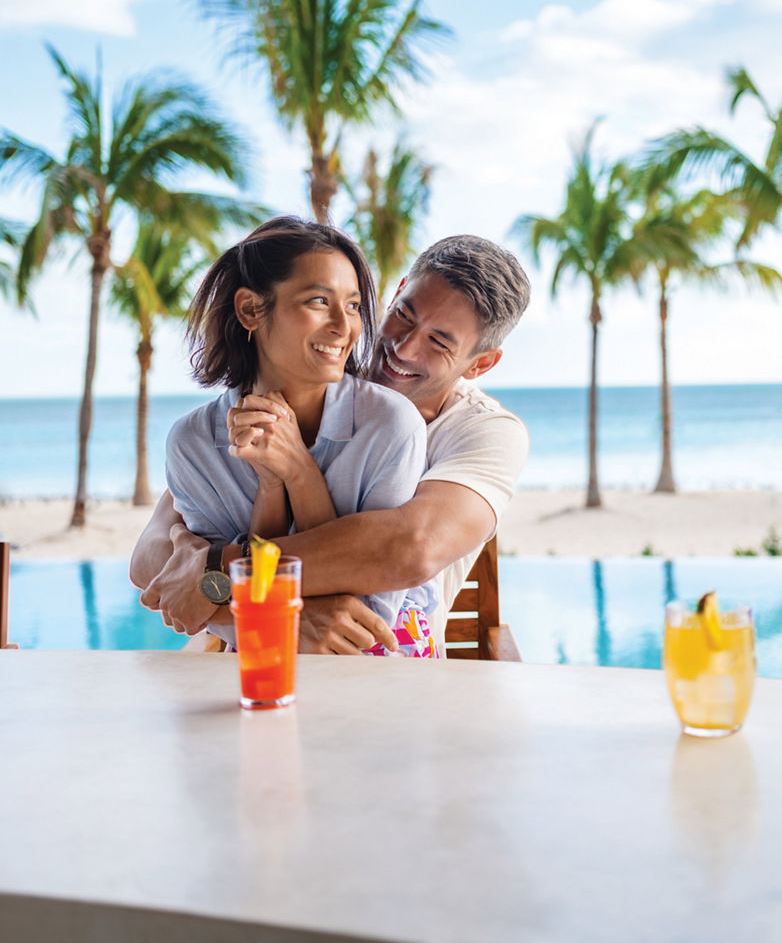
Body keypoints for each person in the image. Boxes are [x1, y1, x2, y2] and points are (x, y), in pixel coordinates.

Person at [131, 234, 531, 655]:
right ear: (394, 294)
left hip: (379, 650)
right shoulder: (311, 371)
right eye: (404, 315)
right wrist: (274, 619)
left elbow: (407, 549)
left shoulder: (483, 432)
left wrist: (218, 573)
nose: (403, 347)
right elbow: (153, 556)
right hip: (255, 644)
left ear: (481, 363)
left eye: (439, 342)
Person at [162, 215, 438, 657]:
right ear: (250, 309)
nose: (343, 326)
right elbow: (196, 597)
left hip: (381, 661)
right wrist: (272, 486)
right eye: (318, 301)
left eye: (352, 306)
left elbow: (364, 617)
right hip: (261, 655)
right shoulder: (193, 443)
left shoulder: (389, 424)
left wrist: (298, 470)